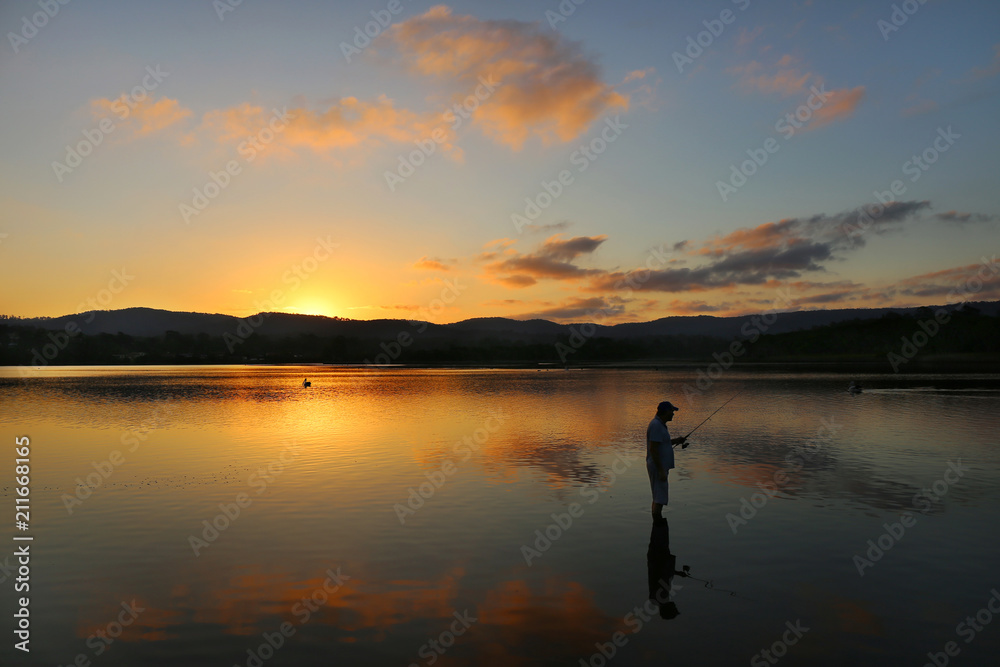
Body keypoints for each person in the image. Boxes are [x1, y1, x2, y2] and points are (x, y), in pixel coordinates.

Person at [647, 401, 687, 519]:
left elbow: (662, 443)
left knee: (658, 496)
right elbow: (653, 449)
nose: (673, 414)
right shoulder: (656, 425)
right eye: (672, 411)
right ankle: (657, 522)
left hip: (660, 466)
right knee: (659, 497)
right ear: (665, 412)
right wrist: (660, 471)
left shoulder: (660, 425)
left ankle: (656, 521)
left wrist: (676, 441)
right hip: (658, 467)